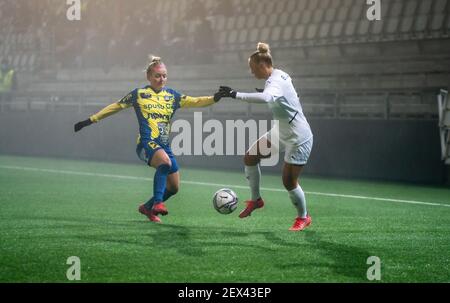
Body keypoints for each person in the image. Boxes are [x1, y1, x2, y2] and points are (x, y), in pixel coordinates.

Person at [74, 56, 225, 223]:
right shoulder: (139, 94)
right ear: (149, 77)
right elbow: (115, 106)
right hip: (146, 144)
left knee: (174, 188)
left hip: (164, 146)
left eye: (164, 76)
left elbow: (195, 102)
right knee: (165, 163)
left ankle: (146, 208)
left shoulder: (172, 96)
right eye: (157, 76)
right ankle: (158, 204)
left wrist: (215, 98)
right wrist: (90, 120)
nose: (162, 79)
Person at [219, 42, 314, 231]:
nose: (252, 73)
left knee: (288, 182)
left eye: (253, 69)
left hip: (298, 136)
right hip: (281, 130)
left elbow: (267, 98)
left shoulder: (275, 81)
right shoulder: (278, 76)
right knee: (250, 157)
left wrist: (234, 94)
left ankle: (303, 217)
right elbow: (280, 96)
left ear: (262, 65)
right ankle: (256, 200)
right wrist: (267, 93)